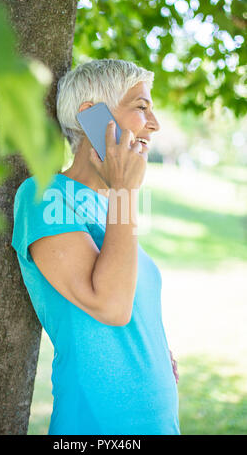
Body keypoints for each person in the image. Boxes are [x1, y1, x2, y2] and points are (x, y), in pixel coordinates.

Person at [11, 58, 180, 435]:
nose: (154, 125)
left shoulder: (111, 207)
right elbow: (110, 305)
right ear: (93, 116)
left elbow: (131, 307)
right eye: (141, 107)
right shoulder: (43, 195)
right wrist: (125, 193)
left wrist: (154, 351)